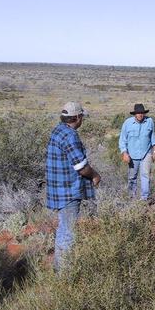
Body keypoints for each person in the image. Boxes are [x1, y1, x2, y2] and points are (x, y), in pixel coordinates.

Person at [46, 101, 101, 270]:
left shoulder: (57, 130)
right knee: (68, 233)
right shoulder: (70, 136)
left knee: (63, 230)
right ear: (77, 117)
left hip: (58, 190)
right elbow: (81, 167)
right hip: (69, 190)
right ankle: (65, 275)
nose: (82, 119)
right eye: (82, 116)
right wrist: (95, 175)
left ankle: (58, 270)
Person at [119, 103, 155, 200]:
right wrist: (124, 153)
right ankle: (131, 198)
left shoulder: (149, 121)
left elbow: (153, 137)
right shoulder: (127, 123)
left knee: (145, 176)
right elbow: (122, 140)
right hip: (132, 155)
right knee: (132, 177)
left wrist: (154, 151)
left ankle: (144, 199)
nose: (140, 115)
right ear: (135, 114)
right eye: (138, 113)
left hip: (146, 153)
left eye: (142, 113)